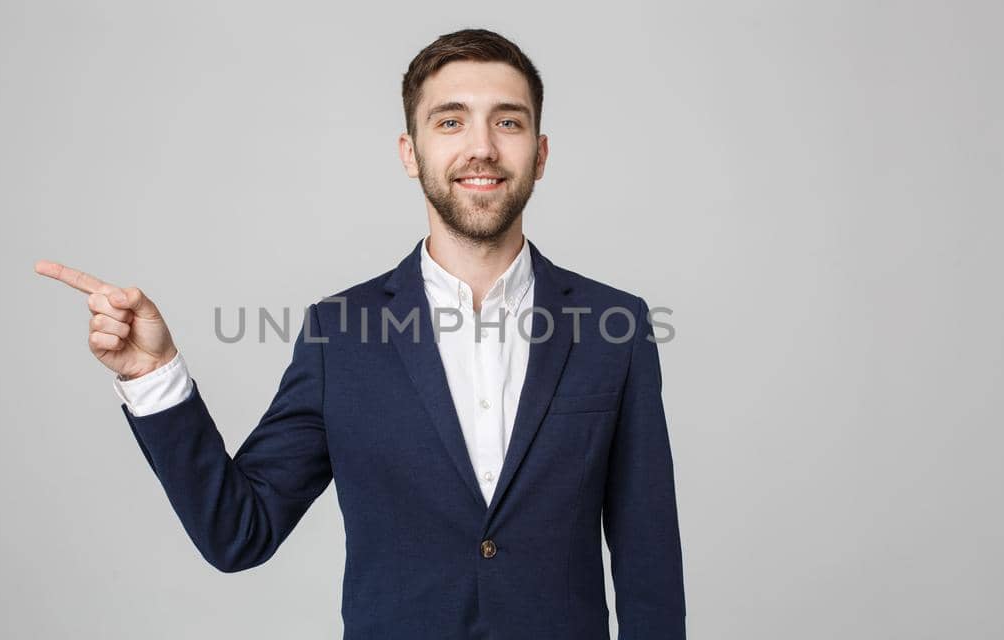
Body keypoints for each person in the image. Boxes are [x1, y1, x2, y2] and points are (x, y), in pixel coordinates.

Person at [36, 28, 685, 639]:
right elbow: (240, 531)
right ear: (411, 152)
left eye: (508, 121)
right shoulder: (339, 337)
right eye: (450, 121)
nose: (482, 146)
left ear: (540, 154)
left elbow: (649, 568)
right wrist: (153, 374)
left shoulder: (615, 330)